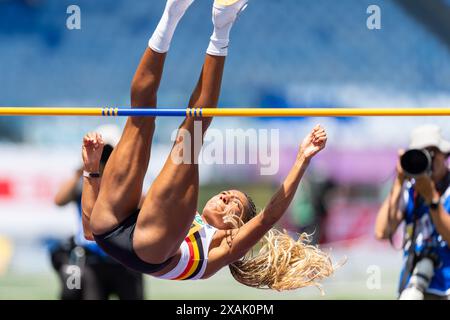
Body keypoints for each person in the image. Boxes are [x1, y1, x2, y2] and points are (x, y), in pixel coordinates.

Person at [81, 0, 337, 292]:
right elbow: (88, 232)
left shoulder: (225, 248)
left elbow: (270, 216)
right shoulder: (190, 216)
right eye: (228, 195)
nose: (224, 198)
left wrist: (303, 158)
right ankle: (171, 13)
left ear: (237, 224)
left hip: (144, 244)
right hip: (113, 227)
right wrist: (92, 173)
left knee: (191, 132)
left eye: (233, 204)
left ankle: (222, 25)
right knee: (141, 113)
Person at [52, 125, 144, 300]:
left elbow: (145, 203)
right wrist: (86, 165)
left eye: (109, 152)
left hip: (124, 259)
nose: (104, 157)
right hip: (93, 260)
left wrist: (122, 172)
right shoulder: (83, 180)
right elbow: (59, 200)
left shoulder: (125, 180)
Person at [375, 125, 450, 300]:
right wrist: (399, 180)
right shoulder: (409, 190)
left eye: (433, 152)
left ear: (444, 155)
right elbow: (381, 231)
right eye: (422, 153)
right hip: (413, 285)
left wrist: (432, 199)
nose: (429, 160)